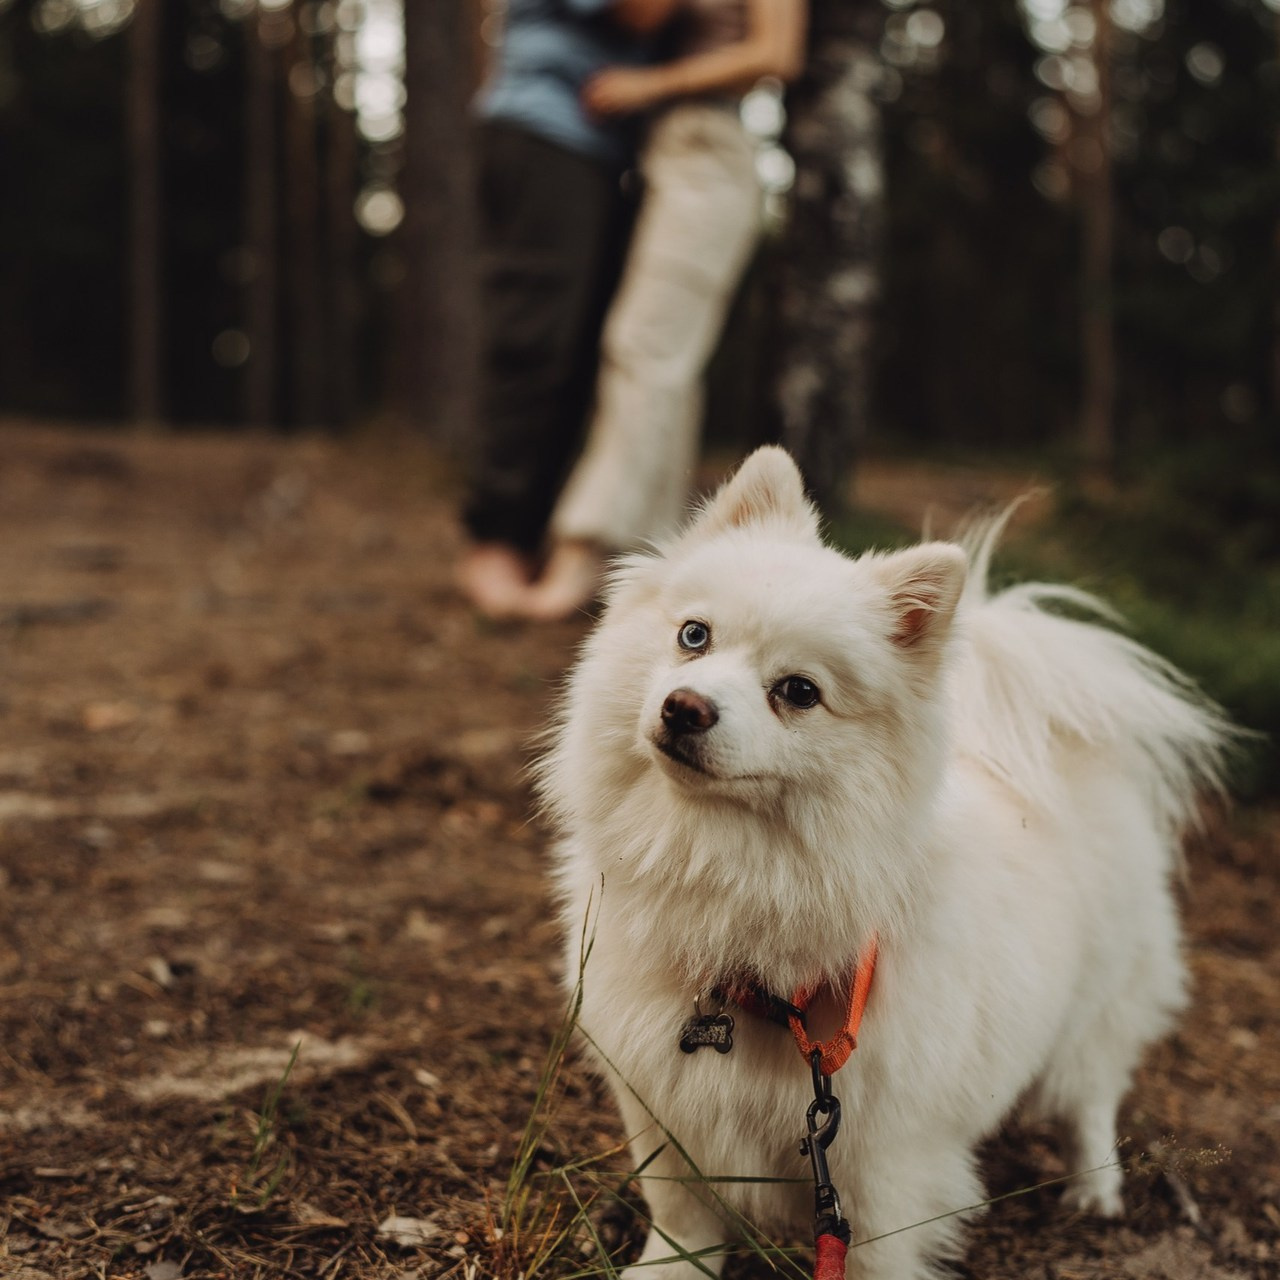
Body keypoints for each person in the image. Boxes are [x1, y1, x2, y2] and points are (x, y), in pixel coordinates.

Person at [515, 0, 809, 621]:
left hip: (710, 150)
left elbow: (776, 54)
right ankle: (657, 569)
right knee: (664, 360)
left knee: (646, 347)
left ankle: (584, 553)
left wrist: (648, 84)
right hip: (667, 151)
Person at [457, 0, 669, 619]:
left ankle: (533, 536)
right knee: (533, 341)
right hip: (547, 131)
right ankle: (495, 541)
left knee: (577, 356)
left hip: (599, 148)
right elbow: (645, 12)